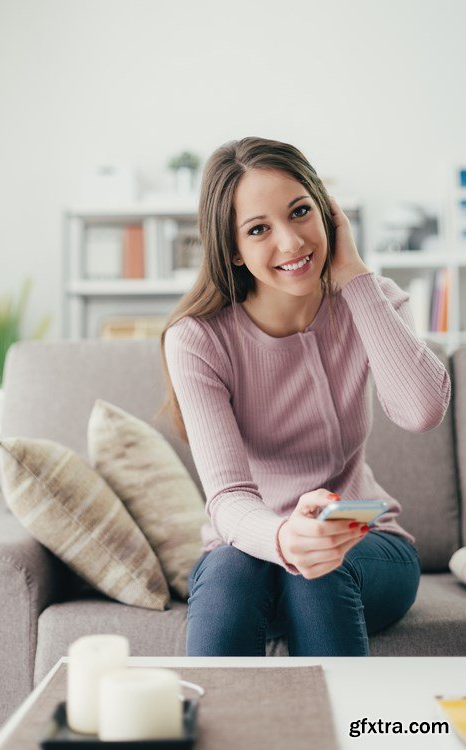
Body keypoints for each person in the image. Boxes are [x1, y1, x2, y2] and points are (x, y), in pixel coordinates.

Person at [157, 136, 451, 656]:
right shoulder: (198, 339)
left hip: (363, 536)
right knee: (232, 569)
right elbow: (228, 498)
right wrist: (283, 538)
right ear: (232, 249)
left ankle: (346, 733)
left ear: (328, 212)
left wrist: (355, 276)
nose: (291, 243)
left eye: (300, 212)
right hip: (250, 548)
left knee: (316, 571)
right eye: (258, 229)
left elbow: (422, 410)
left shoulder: (372, 301)